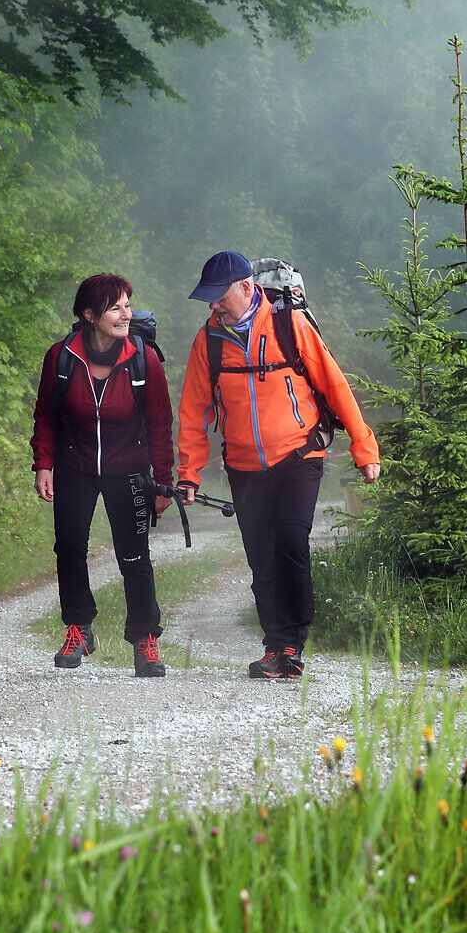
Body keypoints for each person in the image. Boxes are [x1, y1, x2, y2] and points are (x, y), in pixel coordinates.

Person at [175, 251, 380, 680]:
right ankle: (276, 645)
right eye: (208, 298)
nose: (213, 305)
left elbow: (335, 384)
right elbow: (193, 410)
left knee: (290, 538)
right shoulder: (208, 340)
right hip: (244, 466)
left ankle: (292, 644)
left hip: (299, 455)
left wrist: (364, 446)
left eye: (219, 296)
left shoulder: (291, 325)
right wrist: (189, 471)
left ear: (246, 288)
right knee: (262, 557)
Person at [31, 273, 175, 678]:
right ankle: (79, 628)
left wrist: (163, 480)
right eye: (115, 307)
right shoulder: (60, 358)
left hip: (128, 467)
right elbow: (46, 414)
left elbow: (161, 425)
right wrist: (44, 464)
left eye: (128, 304)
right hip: (74, 466)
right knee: (71, 549)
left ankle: (145, 638)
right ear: (90, 315)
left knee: (134, 556)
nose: (125, 313)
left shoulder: (145, 361)